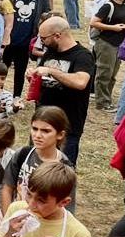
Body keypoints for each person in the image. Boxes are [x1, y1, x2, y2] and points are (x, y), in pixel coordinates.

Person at [31, 16, 96, 165]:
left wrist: (51, 71)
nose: (41, 43)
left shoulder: (82, 56)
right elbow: (45, 78)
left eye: (43, 38)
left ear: (57, 36)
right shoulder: (50, 52)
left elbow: (81, 82)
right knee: (36, 166)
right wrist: (34, 75)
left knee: (61, 170)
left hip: (67, 126)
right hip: (42, 122)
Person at [4, 0, 51, 98]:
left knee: (20, 70)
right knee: (2, 69)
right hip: (10, 38)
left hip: (27, 39)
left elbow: (46, 14)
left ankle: (16, 97)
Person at [91, 0, 125, 112]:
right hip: (106, 43)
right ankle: (102, 102)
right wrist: (113, 27)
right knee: (104, 73)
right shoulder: (108, 6)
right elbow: (94, 22)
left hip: (119, 43)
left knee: (113, 74)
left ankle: (107, 98)